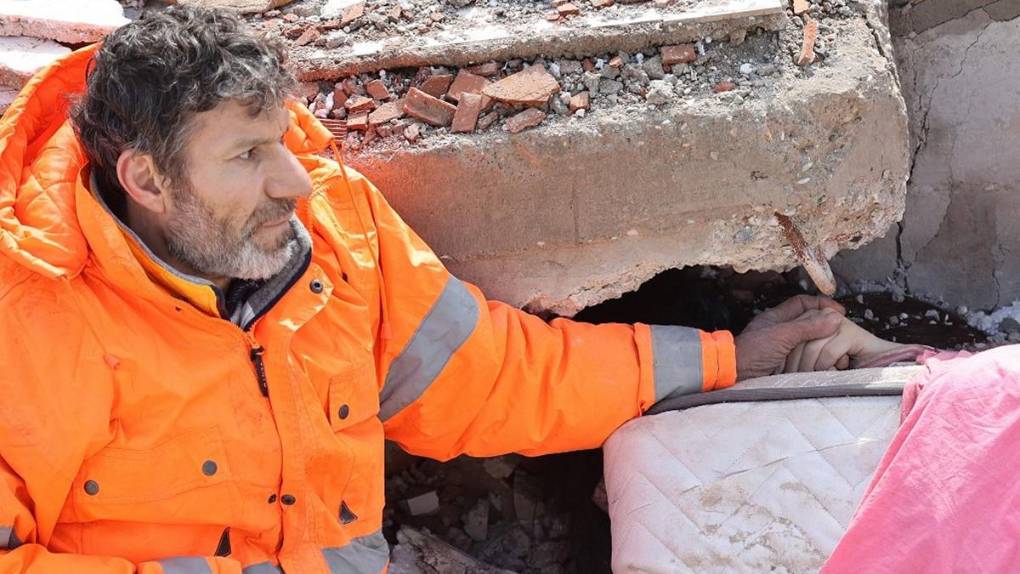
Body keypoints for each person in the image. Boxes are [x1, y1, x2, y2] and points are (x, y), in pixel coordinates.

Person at [0, 7, 846, 572]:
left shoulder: (335, 234)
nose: (295, 180)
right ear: (145, 178)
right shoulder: (27, 314)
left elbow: (499, 377)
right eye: (247, 156)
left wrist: (729, 358)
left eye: (281, 140)